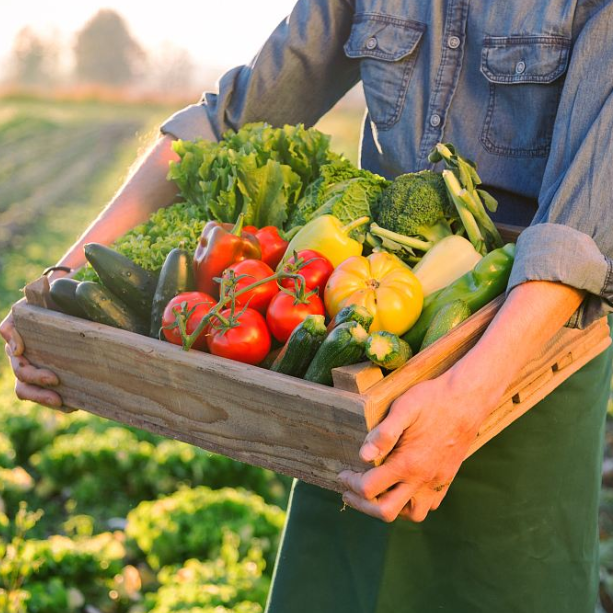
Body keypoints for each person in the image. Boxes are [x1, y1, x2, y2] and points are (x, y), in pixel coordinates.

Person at [3, 0, 613, 611]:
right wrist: (64, 276)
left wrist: (466, 402)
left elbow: (577, 235)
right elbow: (227, 123)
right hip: (362, 366)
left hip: (528, 351)